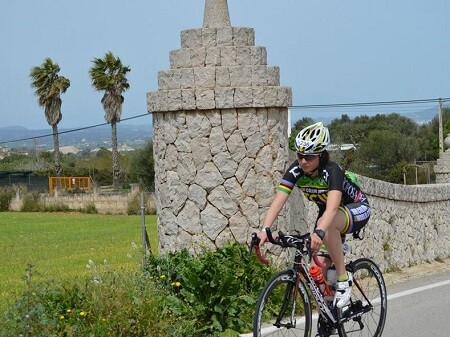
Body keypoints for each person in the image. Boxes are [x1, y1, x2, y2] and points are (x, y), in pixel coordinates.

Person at [257, 122, 371, 308]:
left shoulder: (332, 171)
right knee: (318, 270)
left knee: (327, 224)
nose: (303, 161)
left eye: (309, 157)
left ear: (320, 155)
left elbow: (332, 209)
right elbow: (278, 202)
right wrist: (265, 229)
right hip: (327, 215)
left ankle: (343, 280)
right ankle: (330, 316)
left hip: (355, 207)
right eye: (300, 156)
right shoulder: (296, 170)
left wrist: (318, 233)